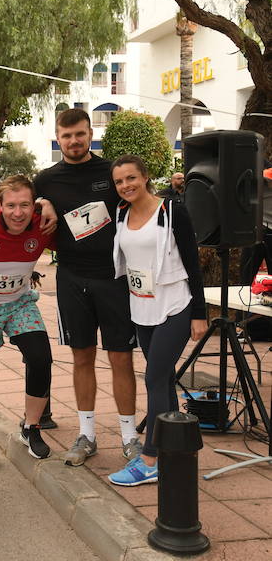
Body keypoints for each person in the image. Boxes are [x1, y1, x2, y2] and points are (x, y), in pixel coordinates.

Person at [34, 108, 143, 467]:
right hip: (71, 279)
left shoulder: (109, 172)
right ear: (57, 137)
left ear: (90, 132)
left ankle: (130, 438)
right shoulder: (46, 179)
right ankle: (87, 435)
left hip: (114, 279)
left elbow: (141, 203)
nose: (74, 141)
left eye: (80, 134)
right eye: (66, 136)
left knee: (121, 358)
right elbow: (22, 204)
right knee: (81, 357)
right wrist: (42, 200)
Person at [108, 155, 207, 486]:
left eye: (132, 178)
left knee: (154, 377)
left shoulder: (171, 210)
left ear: (146, 176)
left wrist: (199, 313)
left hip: (175, 304)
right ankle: (174, 447)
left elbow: (193, 262)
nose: (126, 185)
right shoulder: (121, 212)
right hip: (142, 307)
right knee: (163, 380)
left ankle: (150, 458)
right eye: (120, 181)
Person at [0, 175, 55, 474]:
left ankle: (31, 426)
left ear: (34, 205)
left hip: (20, 303)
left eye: (24, 205)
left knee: (41, 357)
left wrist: (50, 206)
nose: (17, 213)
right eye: (10, 205)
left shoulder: (43, 225)